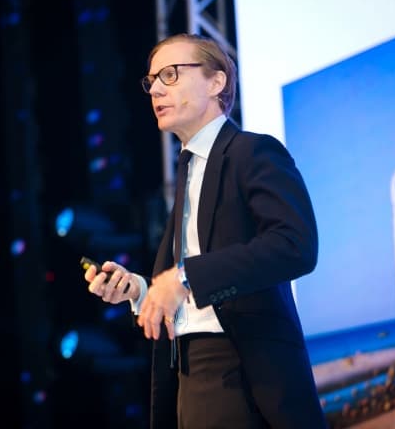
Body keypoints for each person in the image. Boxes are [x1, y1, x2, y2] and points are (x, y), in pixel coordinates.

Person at [83, 33, 326, 429]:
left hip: (243, 370)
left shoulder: (252, 152)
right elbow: (188, 282)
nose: (155, 89)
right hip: (187, 374)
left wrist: (184, 278)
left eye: (170, 75)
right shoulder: (188, 173)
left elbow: (294, 245)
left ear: (216, 82)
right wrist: (139, 290)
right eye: (151, 81)